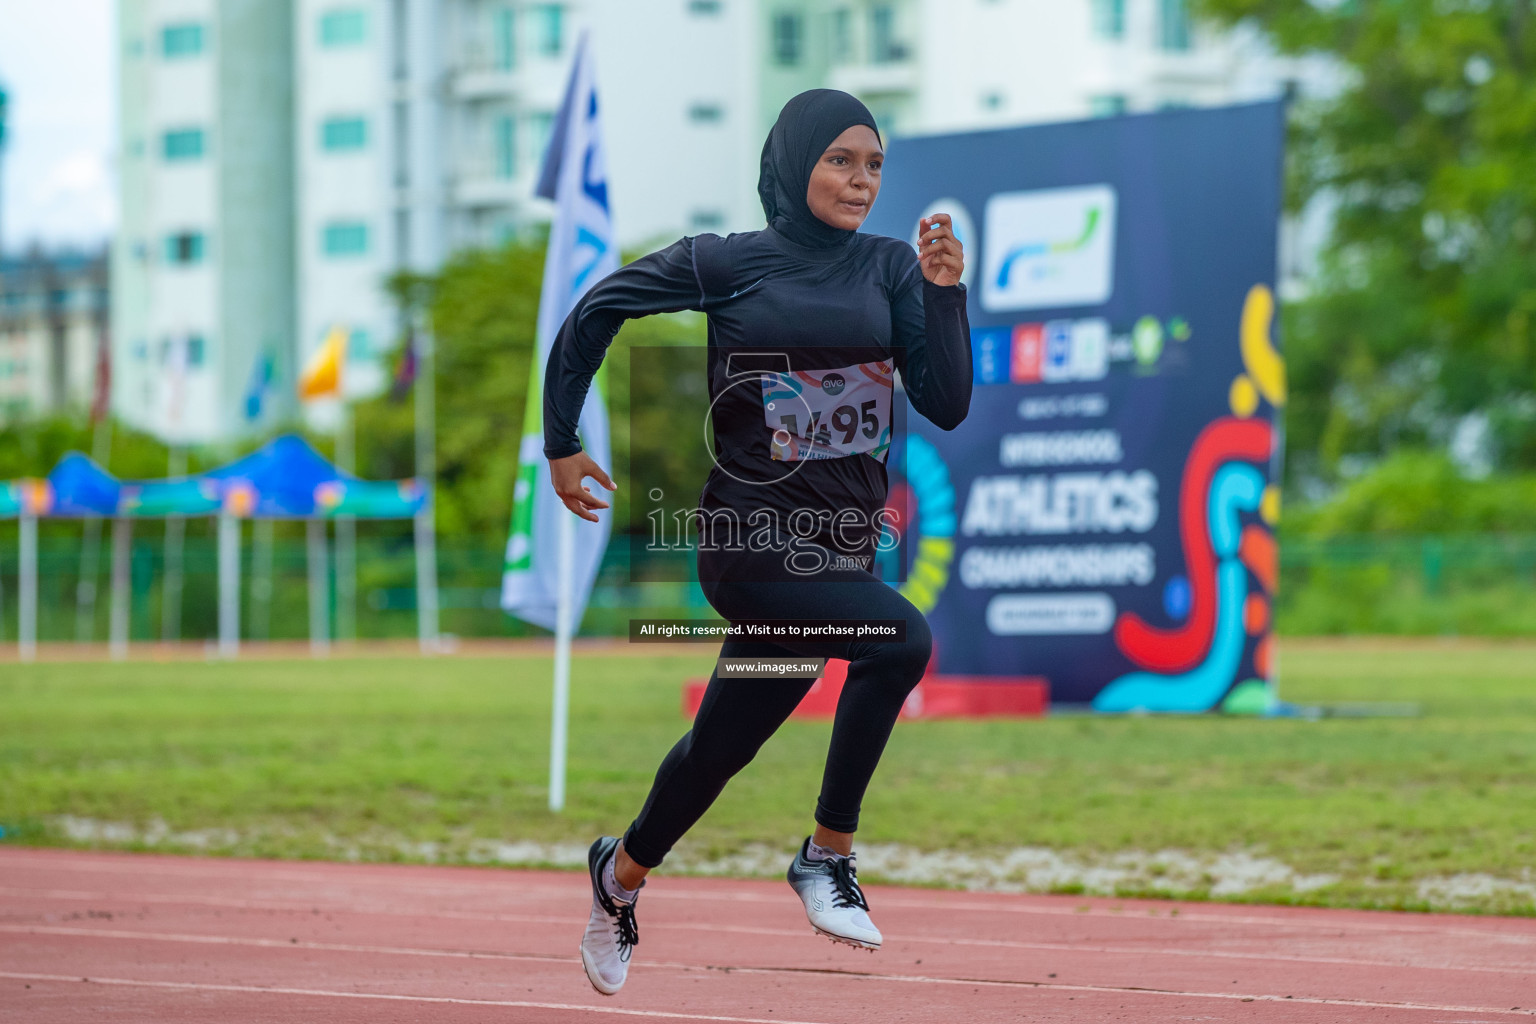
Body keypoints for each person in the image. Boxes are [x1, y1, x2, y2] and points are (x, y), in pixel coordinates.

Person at [541, 89, 970, 996]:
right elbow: (595, 311)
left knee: (717, 750)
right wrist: (561, 442)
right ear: (793, 163)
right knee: (902, 641)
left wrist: (944, 297)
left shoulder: (893, 269)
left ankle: (618, 875)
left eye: (875, 165)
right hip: (749, 543)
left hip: (836, 553)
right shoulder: (727, 263)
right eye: (841, 161)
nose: (861, 181)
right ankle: (828, 852)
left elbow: (947, 402)